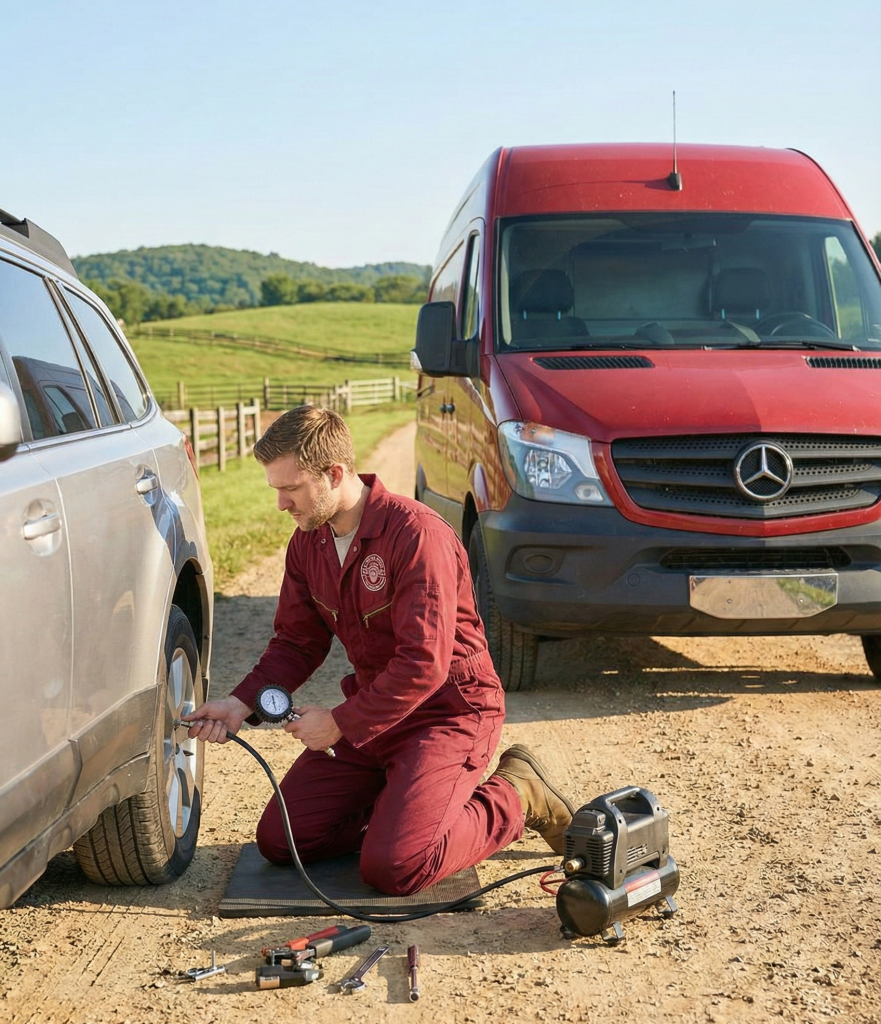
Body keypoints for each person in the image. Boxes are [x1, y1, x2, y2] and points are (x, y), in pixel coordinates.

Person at [185, 405, 575, 895]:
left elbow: (423, 665)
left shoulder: (417, 535)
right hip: (377, 714)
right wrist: (239, 704)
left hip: (450, 713)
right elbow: (296, 642)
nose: (281, 503)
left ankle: (519, 792)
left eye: (291, 488)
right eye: (275, 489)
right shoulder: (308, 542)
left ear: (334, 473)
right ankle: (408, 810)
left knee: (396, 868)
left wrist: (339, 723)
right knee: (282, 841)